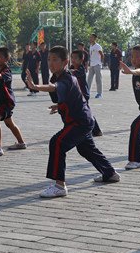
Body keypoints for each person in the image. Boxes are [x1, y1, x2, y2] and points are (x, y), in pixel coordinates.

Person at [25, 46, 119, 198]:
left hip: (79, 122)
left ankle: (59, 185)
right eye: (49, 59)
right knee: (86, 149)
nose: (51, 63)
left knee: (57, 143)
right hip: (84, 120)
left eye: (55, 60)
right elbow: (70, 97)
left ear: (65, 62)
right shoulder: (60, 76)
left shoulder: (65, 79)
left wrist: (35, 86)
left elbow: (54, 88)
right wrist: (59, 106)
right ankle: (110, 173)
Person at [71, 49, 103, 137]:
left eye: (75, 58)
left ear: (81, 60)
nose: (73, 60)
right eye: (72, 58)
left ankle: (95, 130)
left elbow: (74, 74)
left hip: (83, 94)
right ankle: (95, 131)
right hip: (77, 95)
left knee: (86, 113)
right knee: (85, 112)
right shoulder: (72, 67)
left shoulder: (81, 68)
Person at [87, 34, 104, 99]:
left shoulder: (98, 46)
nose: (90, 38)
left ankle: (99, 93)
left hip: (97, 64)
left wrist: (100, 63)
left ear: (95, 38)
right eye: (90, 37)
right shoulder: (91, 46)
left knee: (98, 79)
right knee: (89, 79)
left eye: (91, 37)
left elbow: (102, 55)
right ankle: (87, 91)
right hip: (92, 64)